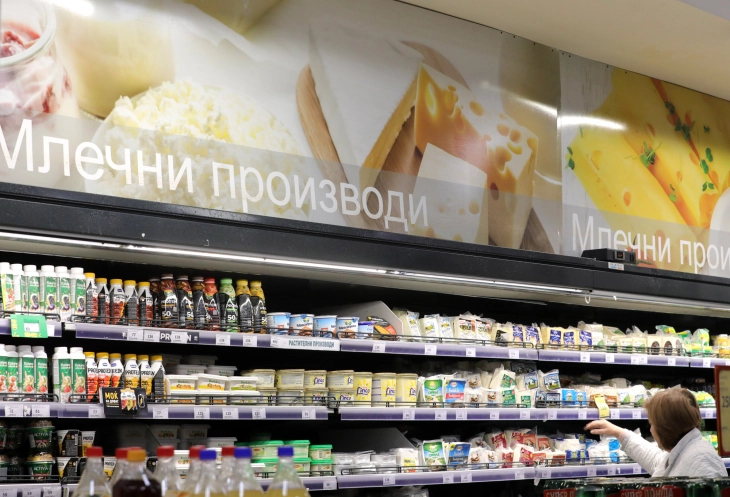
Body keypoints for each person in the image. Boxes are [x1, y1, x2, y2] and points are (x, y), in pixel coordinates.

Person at [585, 387, 726, 477]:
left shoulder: (702, 460)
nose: (651, 429)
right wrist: (619, 433)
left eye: (652, 424)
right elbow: (657, 462)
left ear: (666, 428)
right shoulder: (685, 450)